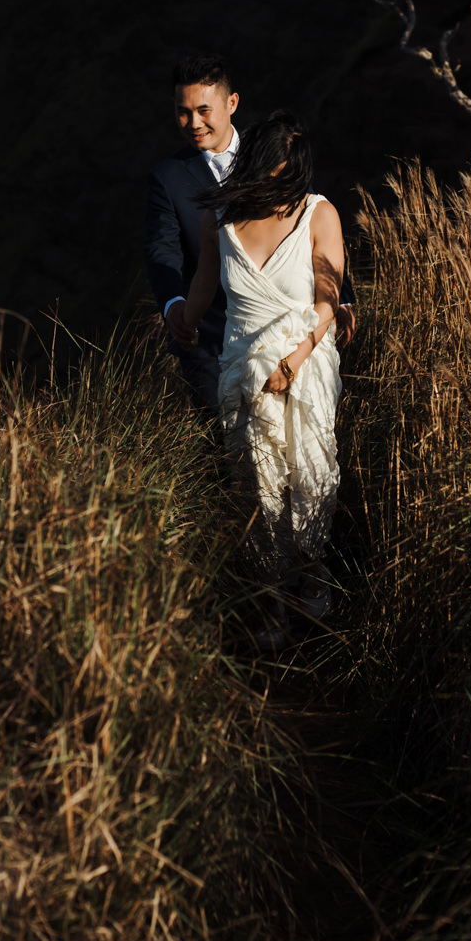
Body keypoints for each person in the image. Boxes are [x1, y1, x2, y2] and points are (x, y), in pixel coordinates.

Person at [175, 110, 346, 647]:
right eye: (270, 172)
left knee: (309, 472)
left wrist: (295, 359)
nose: (279, 185)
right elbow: (203, 288)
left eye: (288, 175)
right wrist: (178, 320)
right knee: (256, 485)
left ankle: (315, 581)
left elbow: (328, 299)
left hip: (306, 360)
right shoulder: (220, 219)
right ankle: (272, 606)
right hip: (243, 370)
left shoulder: (319, 214)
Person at [145, 55, 243, 413]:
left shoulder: (273, 157)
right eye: (182, 112)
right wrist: (174, 304)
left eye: (204, 110)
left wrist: (339, 297)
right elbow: (162, 248)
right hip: (207, 335)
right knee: (223, 447)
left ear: (231, 103)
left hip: (281, 327)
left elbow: (310, 221)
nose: (193, 123)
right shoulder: (166, 178)